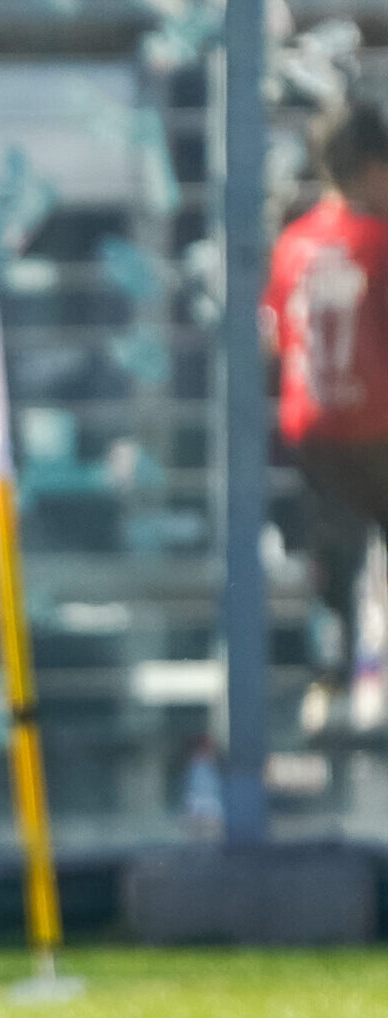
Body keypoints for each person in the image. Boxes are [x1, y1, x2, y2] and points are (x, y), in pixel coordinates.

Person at [268, 99, 388, 727]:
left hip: (311, 430)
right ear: (374, 171)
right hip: (376, 429)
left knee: (333, 559)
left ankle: (332, 682)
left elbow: (274, 334)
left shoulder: (296, 243)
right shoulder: (378, 242)